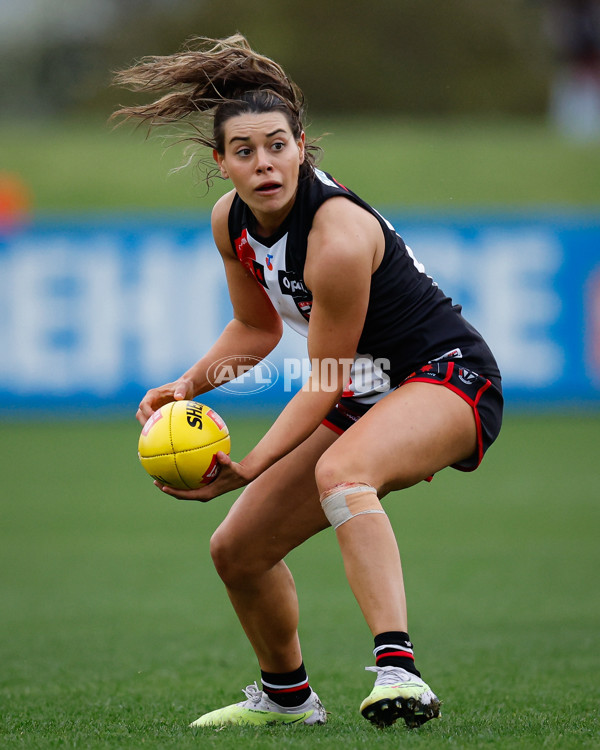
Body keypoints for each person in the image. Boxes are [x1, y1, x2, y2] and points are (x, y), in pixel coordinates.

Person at [113, 34, 503, 730]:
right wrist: (188, 385)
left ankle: (399, 673)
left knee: (344, 473)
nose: (263, 163)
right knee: (237, 550)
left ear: (302, 146)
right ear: (220, 162)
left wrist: (252, 464)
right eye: (244, 151)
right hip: (366, 389)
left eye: (277, 145)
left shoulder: (338, 238)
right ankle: (288, 699)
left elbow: (322, 380)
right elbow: (257, 332)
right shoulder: (229, 222)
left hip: (450, 379)